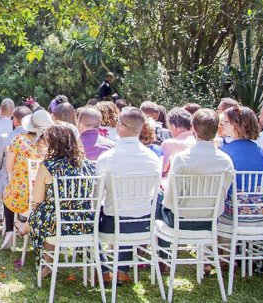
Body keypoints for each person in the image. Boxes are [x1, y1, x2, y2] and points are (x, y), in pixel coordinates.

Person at [18, 122, 97, 277]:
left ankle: (46, 263)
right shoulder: (88, 165)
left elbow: (38, 198)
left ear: (53, 144)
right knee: (47, 214)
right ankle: (47, 260)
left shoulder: (48, 166)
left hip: (57, 223)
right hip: (84, 222)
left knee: (41, 214)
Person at [95, 108, 162, 283]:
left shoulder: (107, 157)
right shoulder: (153, 158)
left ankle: (103, 269)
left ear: (121, 126)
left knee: (93, 215)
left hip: (113, 225)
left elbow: (96, 196)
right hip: (143, 224)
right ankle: (121, 269)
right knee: (127, 211)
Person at [158, 109, 233, 240]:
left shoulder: (182, 158)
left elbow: (169, 201)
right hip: (210, 221)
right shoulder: (226, 161)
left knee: (158, 202)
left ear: (194, 128)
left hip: (180, 221)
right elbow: (224, 194)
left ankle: (164, 257)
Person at [1, 109, 53, 249]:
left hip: (20, 199)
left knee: (8, 192)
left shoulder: (19, 140)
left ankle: (9, 231)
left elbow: (9, 169)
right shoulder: (51, 146)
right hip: (44, 202)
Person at [0, 106, 30, 231]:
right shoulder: (37, 140)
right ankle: (23, 217)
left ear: (16, 119)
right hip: (31, 184)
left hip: (9, 182)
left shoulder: (6, 137)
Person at [160, 108, 195, 176]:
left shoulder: (169, 144)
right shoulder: (201, 143)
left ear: (174, 127)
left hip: (175, 184)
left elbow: (162, 171)